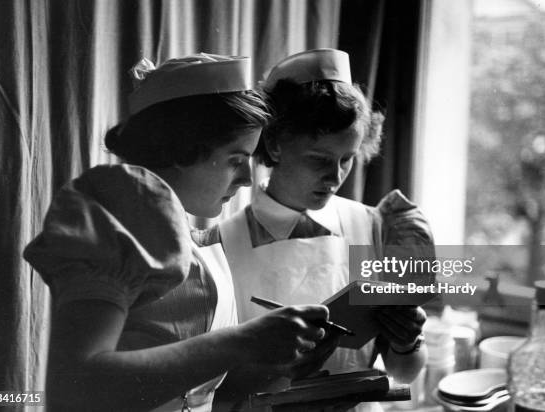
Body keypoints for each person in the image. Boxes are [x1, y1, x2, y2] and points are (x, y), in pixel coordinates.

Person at [23, 54, 338, 412]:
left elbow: (188, 389)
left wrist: (283, 365)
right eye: (236, 160)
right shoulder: (119, 215)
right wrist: (243, 341)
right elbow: (75, 384)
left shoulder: (191, 240)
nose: (247, 179)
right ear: (182, 148)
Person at [217, 49, 434, 411]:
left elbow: (405, 372)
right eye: (319, 160)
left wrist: (407, 342)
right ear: (274, 144)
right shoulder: (224, 244)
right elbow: (213, 393)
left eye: (346, 159)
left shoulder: (374, 227)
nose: (335, 178)